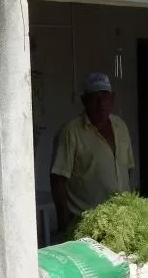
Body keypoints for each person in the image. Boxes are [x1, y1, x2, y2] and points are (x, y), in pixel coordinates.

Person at [51, 73, 135, 235]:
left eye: (105, 97)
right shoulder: (71, 131)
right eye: (94, 99)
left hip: (123, 220)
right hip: (87, 224)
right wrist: (64, 221)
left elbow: (127, 169)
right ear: (84, 101)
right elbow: (58, 179)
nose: (101, 104)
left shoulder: (121, 126)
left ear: (112, 99)